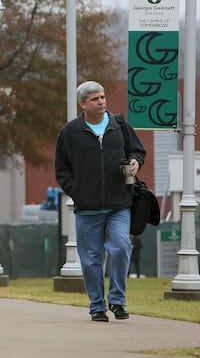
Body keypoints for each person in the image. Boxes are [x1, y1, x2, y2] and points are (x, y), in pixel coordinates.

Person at [55, 81, 146, 322]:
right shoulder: (69, 132)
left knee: (120, 247)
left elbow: (137, 150)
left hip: (120, 203)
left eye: (103, 97)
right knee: (91, 258)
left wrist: (136, 161)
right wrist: (77, 191)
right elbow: (62, 169)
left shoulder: (119, 125)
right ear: (83, 104)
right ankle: (97, 305)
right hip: (87, 208)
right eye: (95, 99)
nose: (102, 102)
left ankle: (117, 300)